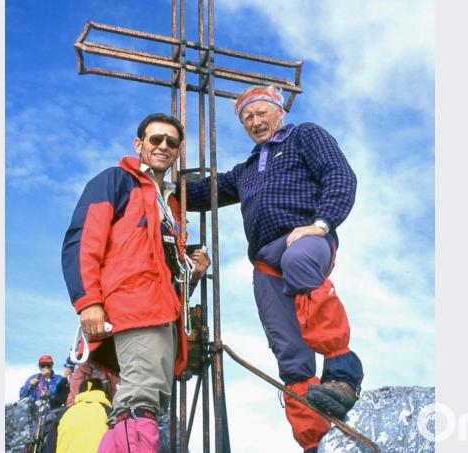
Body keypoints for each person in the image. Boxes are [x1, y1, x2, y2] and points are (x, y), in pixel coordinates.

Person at [184, 85, 364, 453]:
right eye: (247, 117)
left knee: (299, 261)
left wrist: (323, 223)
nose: (255, 121)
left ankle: (342, 374)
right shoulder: (247, 169)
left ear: (279, 112)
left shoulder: (303, 136)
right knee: (288, 350)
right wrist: (168, 183)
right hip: (267, 259)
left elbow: (340, 175)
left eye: (261, 112)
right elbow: (203, 194)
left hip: (304, 239)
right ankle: (313, 442)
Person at [61, 113, 209, 452]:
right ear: (138, 144)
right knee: (138, 403)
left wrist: (193, 272)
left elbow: (167, 276)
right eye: (156, 139)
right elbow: (83, 239)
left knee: (145, 404)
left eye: (171, 143)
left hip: (162, 316)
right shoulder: (116, 181)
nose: (163, 146)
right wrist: (88, 301)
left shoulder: (169, 204)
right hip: (132, 308)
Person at [42, 378, 112, 453]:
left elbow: (49, 447)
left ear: (80, 393)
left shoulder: (64, 414)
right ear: (102, 392)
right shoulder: (110, 413)